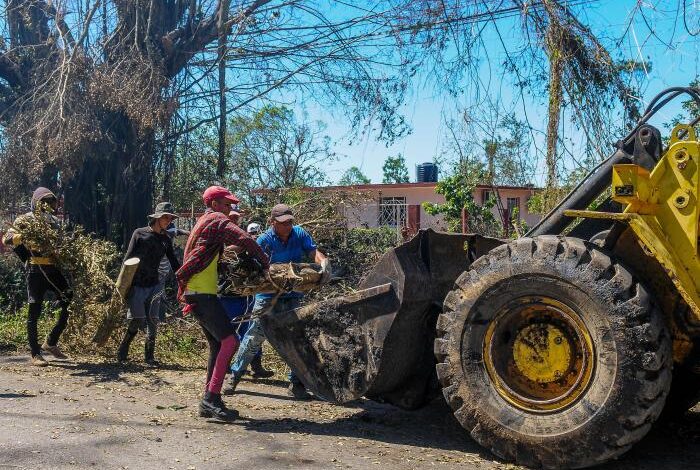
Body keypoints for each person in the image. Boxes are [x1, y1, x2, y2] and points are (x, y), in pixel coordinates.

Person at [176, 186, 271, 422]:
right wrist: (266, 264)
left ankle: (210, 400)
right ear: (215, 204)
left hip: (198, 292)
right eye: (227, 204)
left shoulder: (204, 221)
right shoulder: (217, 219)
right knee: (230, 341)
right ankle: (211, 398)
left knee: (218, 345)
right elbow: (244, 238)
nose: (231, 209)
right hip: (201, 292)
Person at [224, 203, 331, 399]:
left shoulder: (299, 234)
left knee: (296, 338)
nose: (288, 225)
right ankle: (235, 375)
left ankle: (296, 383)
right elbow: (253, 264)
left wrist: (323, 263)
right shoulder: (264, 239)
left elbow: (313, 252)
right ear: (273, 222)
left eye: (290, 221)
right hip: (267, 297)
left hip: (293, 295)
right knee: (254, 336)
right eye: (284, 222)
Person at [2, 187, 72, 366]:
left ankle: (51, 342)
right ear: (36, 202)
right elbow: (6, 239)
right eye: (44, 202)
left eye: (50, 202)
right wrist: (23, 236)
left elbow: (61, 242)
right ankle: (35, 354)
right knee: (35, 310)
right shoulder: (25, 220)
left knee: (69, 298)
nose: (47, 205)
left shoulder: (55, 222)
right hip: (35, 270)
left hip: (53, 268)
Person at [116, 202, 181, 367]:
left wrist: (183, 277)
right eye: (166, 217)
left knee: (153, 320)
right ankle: (123, 351)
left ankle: (149, 357)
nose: (168, 220)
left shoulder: (165, 239)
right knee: (136, 320)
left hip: (155, 283)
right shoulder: (140, 234)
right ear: (157, 217)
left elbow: (174, 261)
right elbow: (128, 258)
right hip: (137, 283)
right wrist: (122, 283)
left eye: (170, 218)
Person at [151, 222, 189, 322]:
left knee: (161, 295)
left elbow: (179, 231)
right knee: (158, 296)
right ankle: (159, 320)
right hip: (157, 273)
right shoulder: (158, 238)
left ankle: (160, 318)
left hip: (166, 271)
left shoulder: (172, 234)